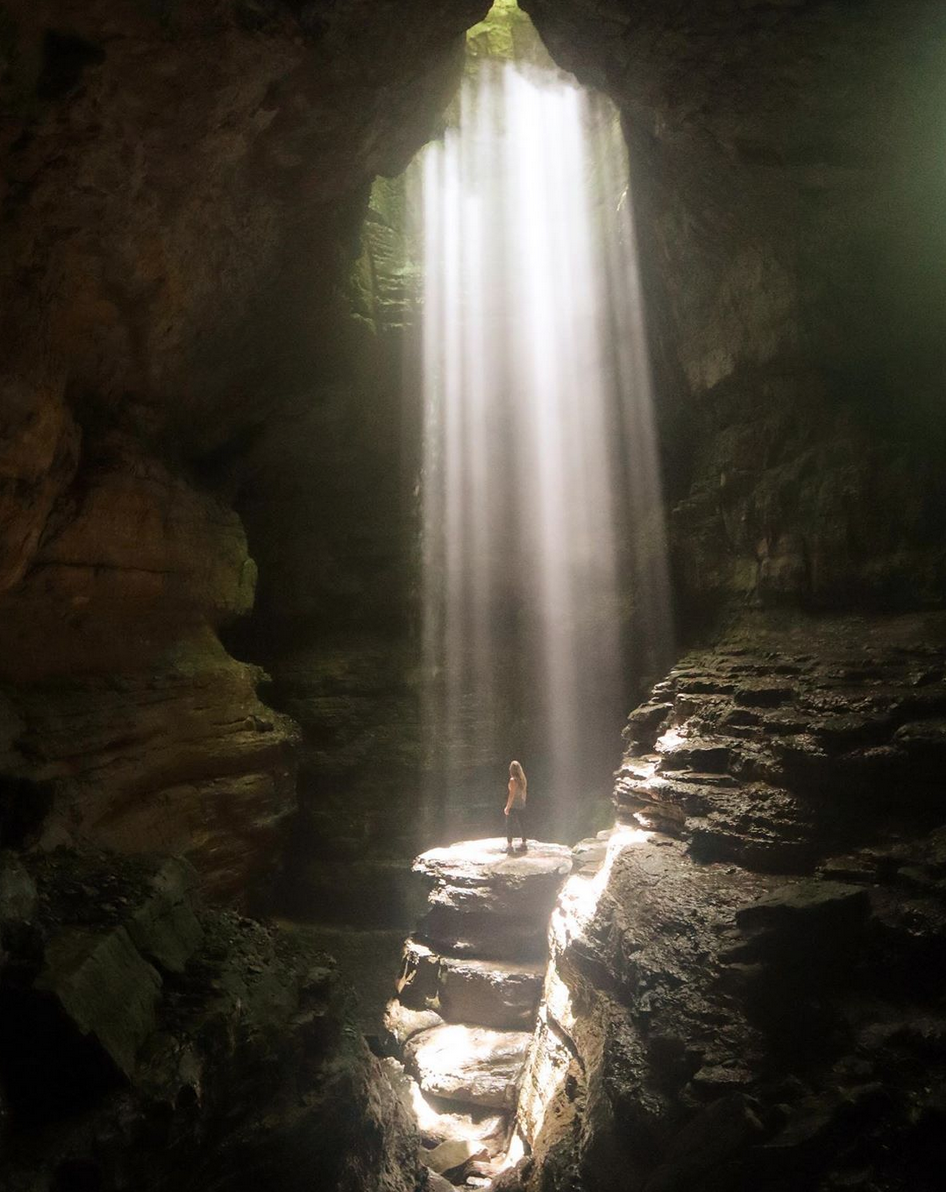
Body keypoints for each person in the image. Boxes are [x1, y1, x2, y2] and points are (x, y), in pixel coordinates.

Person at [504, 760, 528, 854]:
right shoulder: (523, 779)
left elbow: (511, 795)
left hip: (514, 806)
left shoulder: (513, 780)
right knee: (522, 825)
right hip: (521, 805)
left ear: (511, 769)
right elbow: (524, 793)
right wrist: (523, 802)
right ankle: (524, 844)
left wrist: (507, 807)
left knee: (509, 825)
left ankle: (509, 846)